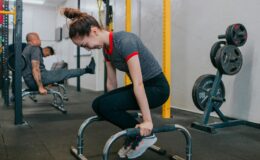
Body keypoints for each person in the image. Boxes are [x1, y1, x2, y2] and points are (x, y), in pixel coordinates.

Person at [62, 8, 170, 159]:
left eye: (85, 44)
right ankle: (135, 135)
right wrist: (111, 104)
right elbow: (111, 82)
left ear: (93, 31)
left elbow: (138, 83)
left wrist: (147, 121)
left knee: (105, 105)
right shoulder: (106, 49)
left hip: (156, 89)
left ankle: (145, 136)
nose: (87, 48)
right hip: (143, 87)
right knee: (98, 104)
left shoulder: (124, 41)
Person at [22, 32, 96, 95]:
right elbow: (35, 69)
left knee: (58, 73)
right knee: (66, 72)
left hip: (29, 82)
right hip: (38, 79)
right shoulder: (35, 48)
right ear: (34, 40)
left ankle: (87, 70)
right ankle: (87, 70)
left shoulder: (25, 49)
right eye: (38, 39)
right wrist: (40, 87)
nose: (40, 41)